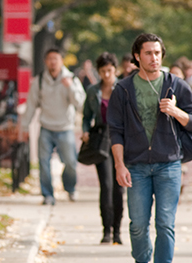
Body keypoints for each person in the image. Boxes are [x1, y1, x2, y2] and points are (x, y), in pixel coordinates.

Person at [107, 33, 192, 263]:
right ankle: (141, 262)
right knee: (138, 224)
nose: (154, 58)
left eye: (158, 53)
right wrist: (119, 165)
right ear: (137, 56)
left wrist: (175, 111)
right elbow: (115, 131)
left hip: (168, 165)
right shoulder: (123, 89)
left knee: (165, 223)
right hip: (136, 165)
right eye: (148, 53)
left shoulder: (176, 85)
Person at [22, 47, 86, 205]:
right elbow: (30, 105)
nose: (52, 62)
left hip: (65, 128)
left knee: (70, 163)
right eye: (50, 59)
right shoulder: (39, 80)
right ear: (45, 61)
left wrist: (70, 87)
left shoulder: (71, 79)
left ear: (61, 61)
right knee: (43, 163)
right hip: (46, 128)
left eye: (55, 58)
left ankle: (70, 188)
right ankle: (48, 195)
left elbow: (81, 105)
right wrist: (24, 127)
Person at [82, 52, 124, 245]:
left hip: (121, 139)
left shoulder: (124, 88)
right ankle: (106, 230)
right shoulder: (93, 91)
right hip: (101, 138)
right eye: (103, 71)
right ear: (98, 72)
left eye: (110, 71)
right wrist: (85, 131)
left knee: (119, 187)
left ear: (115, 70)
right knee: (106, 185)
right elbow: (86, 116)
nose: (107, 75)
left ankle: (117, 231)